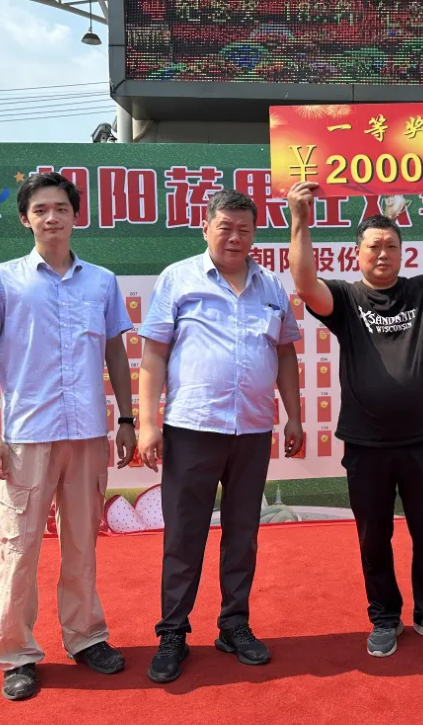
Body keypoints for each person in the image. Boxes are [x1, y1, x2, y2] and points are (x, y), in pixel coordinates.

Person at [287, 174, 423, 658]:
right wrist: (300, 221)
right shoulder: (345, 299)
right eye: (373, 247)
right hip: (365, 444)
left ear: (403, 252)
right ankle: (385, 617)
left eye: (391, 246)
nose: (382, 254)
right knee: (373, 538)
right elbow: (304, 283)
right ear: (356, 254)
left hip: (422, 440)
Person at [0, 172, 136, 701]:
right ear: (25, 219)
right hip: (26, 436)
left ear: (75, 216)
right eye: (41, 209)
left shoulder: (101, 282)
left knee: (82, 546)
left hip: (88, 432)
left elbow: (115, 352)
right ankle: (15, 653)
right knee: (18, 547)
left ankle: (86, 636)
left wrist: (126, 418)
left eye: (61, 208)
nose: (52, 217)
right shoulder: (1, 280)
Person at [138, 190, 303, 684]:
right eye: (225, 227)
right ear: (206, 228)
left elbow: (286, 354)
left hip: (252, 429)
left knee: (242, 533)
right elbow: (154, 354)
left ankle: (234, 624)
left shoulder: (271, 286)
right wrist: (147, 423)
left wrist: (294, 416)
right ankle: (173, 632)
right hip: (192, 427)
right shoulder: (178, 278)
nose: (234, 237)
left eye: (244, 229)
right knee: (184, 535)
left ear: (254, 234)